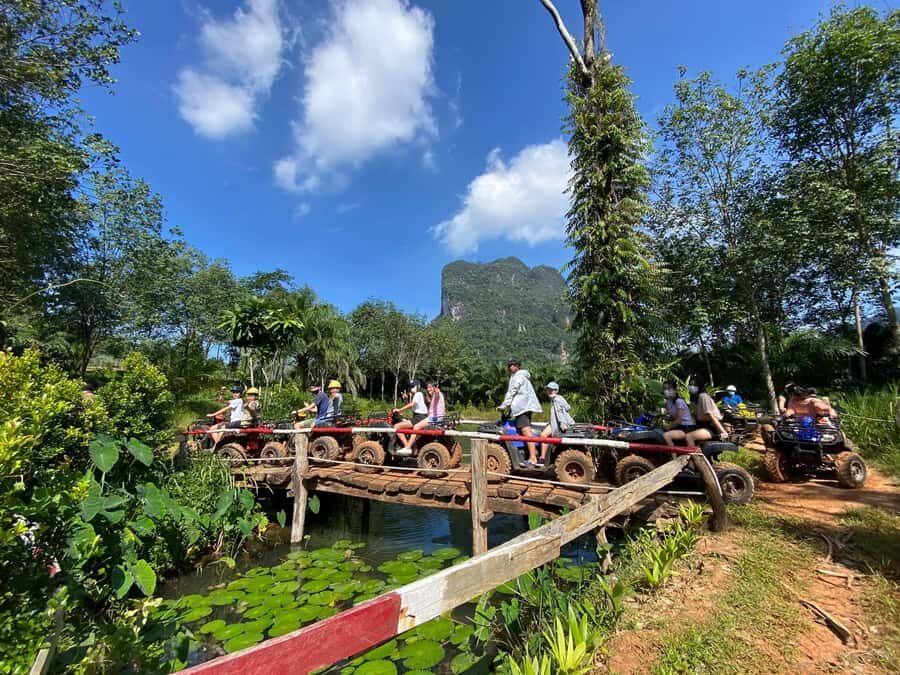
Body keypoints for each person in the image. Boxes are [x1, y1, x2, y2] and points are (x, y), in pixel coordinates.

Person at [498, 359, 543, 468]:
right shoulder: (521, 376)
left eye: (513, 365)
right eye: (509, 365)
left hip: (523, 407)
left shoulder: (518, 376)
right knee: (522, 430)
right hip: (523, 407)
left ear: (518, 366)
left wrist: (504, 405)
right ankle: (533, 452)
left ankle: (533, 458)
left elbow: (512, 391)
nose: (510, 367)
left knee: (525, 430)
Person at [685, 375, 728, 445]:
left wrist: (723, 431)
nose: (691, 386)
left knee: (689, 437)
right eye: (690, 384)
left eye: (694, 385)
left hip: (711, 426)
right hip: (701, 425)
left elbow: (710, 415)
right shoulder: (694, 398)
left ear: (700, 385)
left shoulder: (703, 396)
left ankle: (694, 455)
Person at [539, 382, 575, 463]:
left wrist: (562, 424)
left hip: (558, 425)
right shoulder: (557, 399)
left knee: (542, 435)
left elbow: (560, 414)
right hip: (555, 423)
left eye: (553, 389)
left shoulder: (556, 400)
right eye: (549, 389)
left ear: (557, 390)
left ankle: (542, 458)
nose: (550, 391)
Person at [393, 379, 428, 450]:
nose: (411, 388)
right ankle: (410, 446)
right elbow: (411, 406)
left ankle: (407, 447)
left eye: (413, 386)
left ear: (418, 386)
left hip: (419, 417)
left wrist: (399, 410)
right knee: (403, 421)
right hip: (419, 416)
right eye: (411, 386)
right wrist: (405, 399)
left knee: (396, 426)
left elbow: (411, 404)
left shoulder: (418, 394)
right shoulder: (417, 395)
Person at [662, 380, 696, 446]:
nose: (666, 391)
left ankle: (673, 456)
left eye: (669, 389)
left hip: (686, 427)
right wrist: (663, 417)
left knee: (666, 435)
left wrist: (668, 427)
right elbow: (673, 417)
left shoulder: (679, 401)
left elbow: (679, 420)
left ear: (675, 390)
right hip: (678, 426)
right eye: (665, 389)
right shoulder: (668, 402)